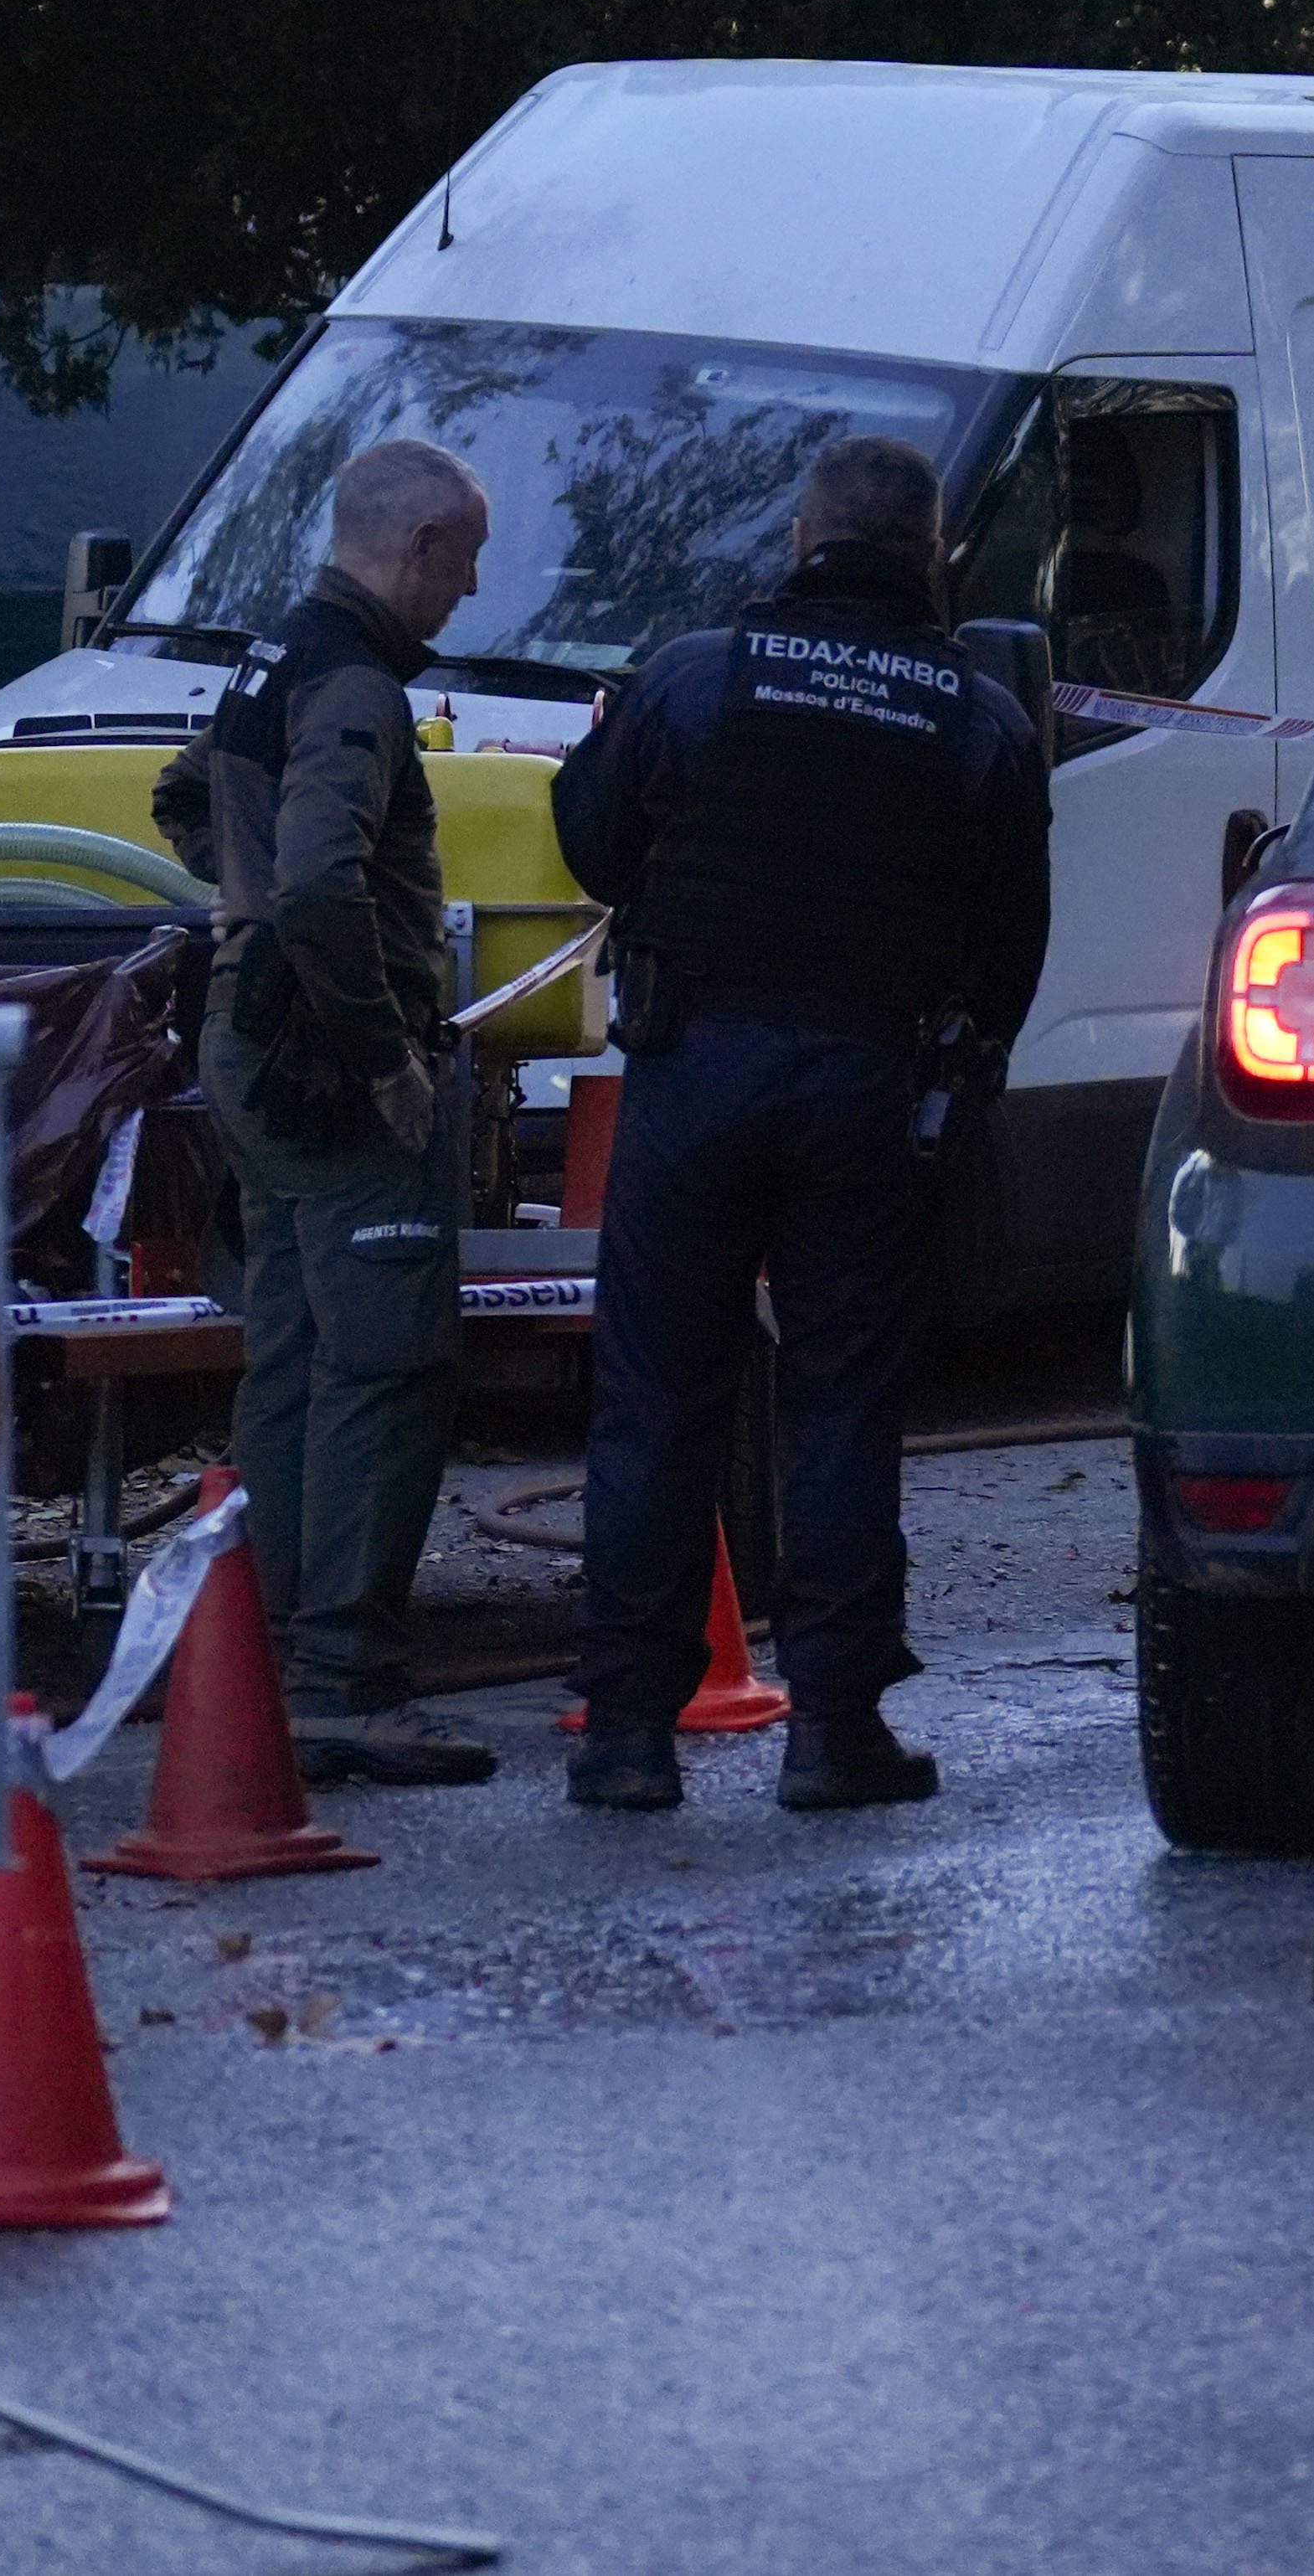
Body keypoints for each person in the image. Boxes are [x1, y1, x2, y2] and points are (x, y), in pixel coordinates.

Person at [553, 434, 1050, 1812]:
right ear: (935, 555)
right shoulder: (978, 719)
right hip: (866, 1085)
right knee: (842, 1404)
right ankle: (834, 1732)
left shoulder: (696, 675)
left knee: (657, 1401)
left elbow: (588, 842)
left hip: (694, 1065)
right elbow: (1013, 947)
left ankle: (629, 1740)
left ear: (797, 541)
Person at [152, 436, 502, 1790]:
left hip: (246, 1043)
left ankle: (277, 1656)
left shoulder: (275, 655)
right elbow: (314, 885)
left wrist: (241, 917)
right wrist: (383, 1059)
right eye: (463, 567)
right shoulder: (355, 684)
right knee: (388, 1363)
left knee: (293, 1357)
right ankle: (348, 1683)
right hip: (324, 1068)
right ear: (417, 549)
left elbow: (188, 794)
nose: (465, 597)